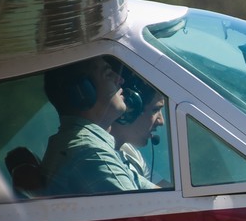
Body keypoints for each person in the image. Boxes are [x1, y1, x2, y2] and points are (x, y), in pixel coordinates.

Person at [40, 57, 158, 196]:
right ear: (83, 92)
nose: (120, 80)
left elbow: (155, 192)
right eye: (108, 74)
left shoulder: (95, 147)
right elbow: (141, 215)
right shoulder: (90, 154)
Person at [109, 71, 167, 184]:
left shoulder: (130, 152)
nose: (161, 121)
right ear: (130, 108)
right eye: (155, 110)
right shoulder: (103, 159)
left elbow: (162, 187)